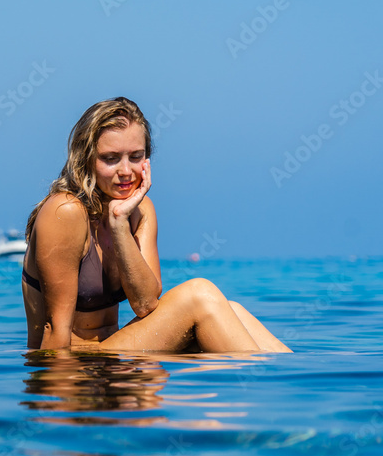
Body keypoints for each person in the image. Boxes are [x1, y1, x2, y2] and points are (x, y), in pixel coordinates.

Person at [21, 97, 291, 353]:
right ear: (85, 159)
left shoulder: (139, 211)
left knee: (232, 311)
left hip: (117, 365)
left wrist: (119, 225)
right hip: (79, 369)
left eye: (135, 156)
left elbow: (145, 304)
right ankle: (268, 388)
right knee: (200, 295)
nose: (126, 171)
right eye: (111, 158)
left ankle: (290, 382)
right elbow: (54, 330)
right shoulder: (65, 212)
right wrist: (56, 395)